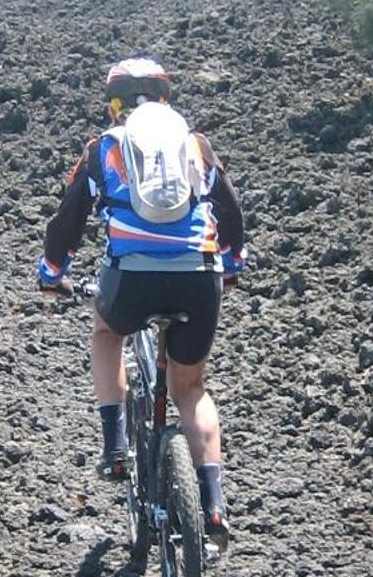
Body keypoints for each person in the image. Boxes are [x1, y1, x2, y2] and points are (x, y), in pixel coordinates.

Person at [37, 55, 245, 545]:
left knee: (107, 333)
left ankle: (114, 446)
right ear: (165, 99)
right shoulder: (196, 146)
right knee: (190, 389)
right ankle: (213, 505)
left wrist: (52, 274)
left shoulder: (104, 148)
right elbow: (230, 214)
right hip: (199, 275)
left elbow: (68, 221)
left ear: (115, 106)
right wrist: (231, 267)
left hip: (130, 278)